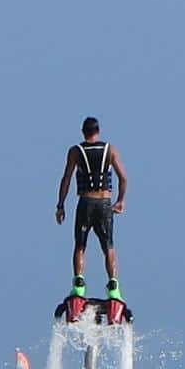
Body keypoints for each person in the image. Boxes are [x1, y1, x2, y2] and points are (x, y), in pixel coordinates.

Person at [55, 116, 128, 303]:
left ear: (83, 132)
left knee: (80, 245)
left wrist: (60, 205)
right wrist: (120, 200)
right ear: (98, 131)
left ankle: (79, 285)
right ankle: (113, 287)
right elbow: (124, 178)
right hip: (104, 203)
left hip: (85, 203)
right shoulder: (110, 150)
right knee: (108, 246)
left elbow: (66, 179)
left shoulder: (75, 152)